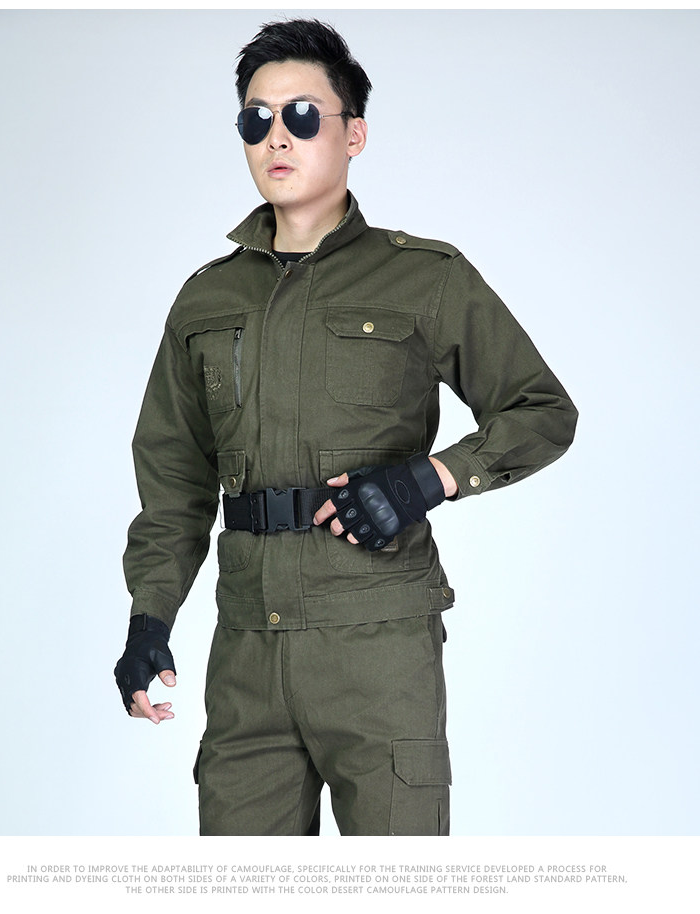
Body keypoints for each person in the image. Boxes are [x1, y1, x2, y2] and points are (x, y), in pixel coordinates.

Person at [114, 18, 577, 836]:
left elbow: (541, 410)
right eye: (255, 119)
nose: (275, 137)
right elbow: (175, 477)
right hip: (247, 656)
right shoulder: (206, 299)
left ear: (353, 134)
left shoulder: (424, 278)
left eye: (301, 115)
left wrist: (429, 479)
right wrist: (149, 617)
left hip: (379, 650)